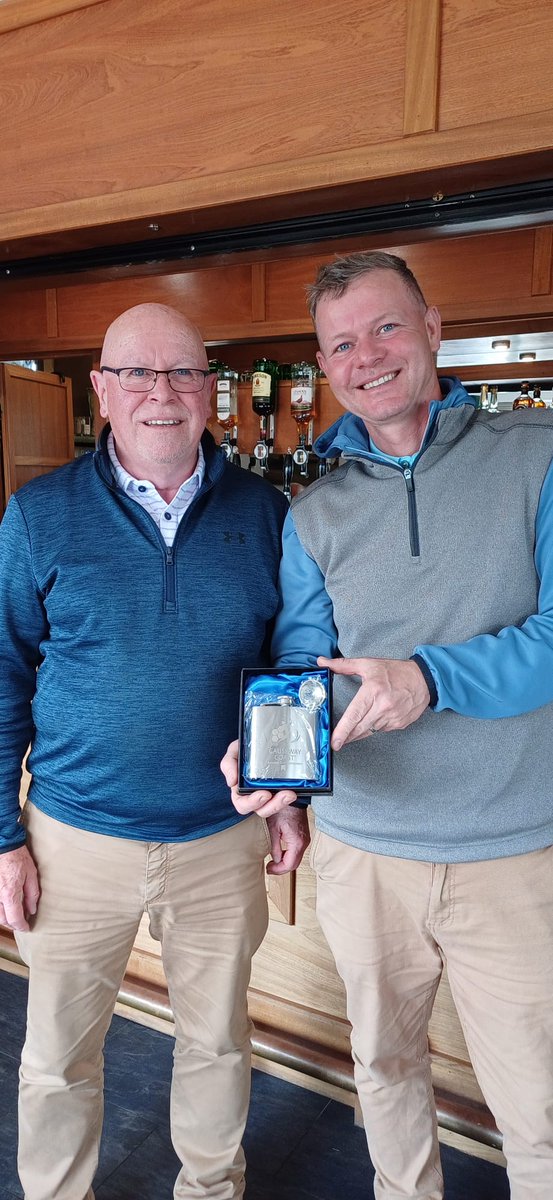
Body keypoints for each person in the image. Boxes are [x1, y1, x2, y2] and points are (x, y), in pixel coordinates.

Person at [222, 251, 553, 1199]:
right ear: (323, 369)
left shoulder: (536, 457)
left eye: (384, 327)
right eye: (339, 344)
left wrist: (427, 679)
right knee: (386, 1074)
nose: (365, 355)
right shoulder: (315, 512)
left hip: (514, 853)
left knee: (535, 1108)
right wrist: (273, 758)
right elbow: (305, 669)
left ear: (433, 327)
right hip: (366, 855)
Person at [0, 301, 310, 1200]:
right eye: (136, 372)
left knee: (217, 1045)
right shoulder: (38, 515)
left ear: (210, 390)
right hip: (74, 841)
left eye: (181, 372)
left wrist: (285, 791)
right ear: (101, 388)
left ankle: (210, 1190)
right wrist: (3, 838)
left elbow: (288, 662)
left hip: (219, 841)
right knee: (58, 1057)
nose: (160, 393)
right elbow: (3, 677)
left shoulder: (266, 510)